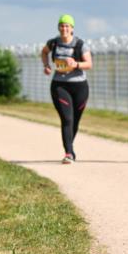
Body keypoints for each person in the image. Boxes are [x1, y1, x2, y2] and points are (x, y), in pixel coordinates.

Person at [41, 14, 92, 164]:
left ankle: (69, 145)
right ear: (58, 27)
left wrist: (75, 64)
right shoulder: (53, 43)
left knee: (75, 120)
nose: (64, 28)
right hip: (60, 85)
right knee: (67, 118)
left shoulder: (80, 44)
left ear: (72, 29)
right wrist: (46, 65)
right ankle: (68, 152)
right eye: (62, 26)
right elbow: (44, 52)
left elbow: (89, 64)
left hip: (80, 86)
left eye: (67, 26)